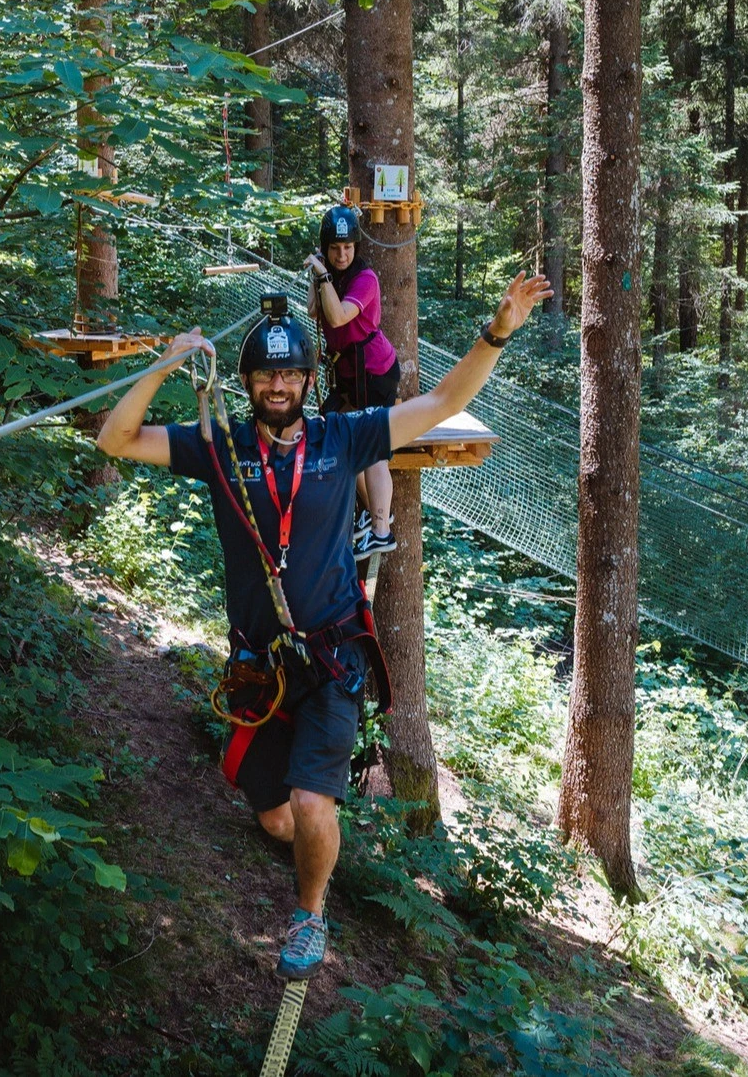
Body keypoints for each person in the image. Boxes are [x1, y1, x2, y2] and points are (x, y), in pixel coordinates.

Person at [93, 270, 554, 981]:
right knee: (278, 816)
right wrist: (160, 367)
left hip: (335, 660)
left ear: (309, 381)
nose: (277, 387)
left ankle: (310, 914)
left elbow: (440, 402)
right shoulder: (220, 447)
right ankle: (314, 834)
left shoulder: (344, 437)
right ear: (246, 384)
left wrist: (497, 332)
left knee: (313, 801)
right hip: (262, 669)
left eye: (290, 375)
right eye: (264, 376)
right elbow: (115, 440)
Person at [307, 204, 400, 556]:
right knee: (339, 436)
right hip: (349, 375)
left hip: (374, 374)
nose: (342, 254)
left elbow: (338, 315)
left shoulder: (365, 279)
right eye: (334, 248)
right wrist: (315, 277)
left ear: (356, 248)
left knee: (373, 449)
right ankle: (373, 516)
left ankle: (380, 529)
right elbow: (315, 311)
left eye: (347, 248)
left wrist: (324, 276)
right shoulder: (332, 274)